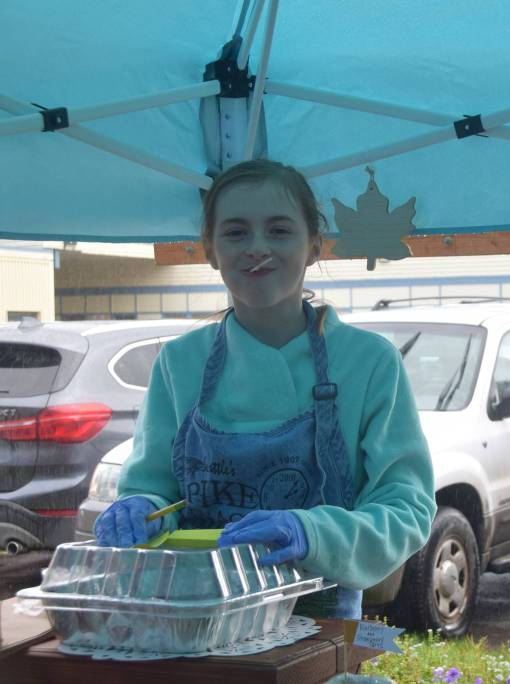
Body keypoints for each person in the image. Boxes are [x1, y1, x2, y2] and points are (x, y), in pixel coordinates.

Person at [93, 159, 437, 620]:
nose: (257, 248)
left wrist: (311, 532)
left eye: (279, 230)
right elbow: (155, 487)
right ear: (210, 251)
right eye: (235, 233)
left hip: (316, 628)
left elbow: (406, 509)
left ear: (314, 245)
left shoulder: (370, 362)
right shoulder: (179, 362)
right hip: (195, 617)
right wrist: (141, 508)